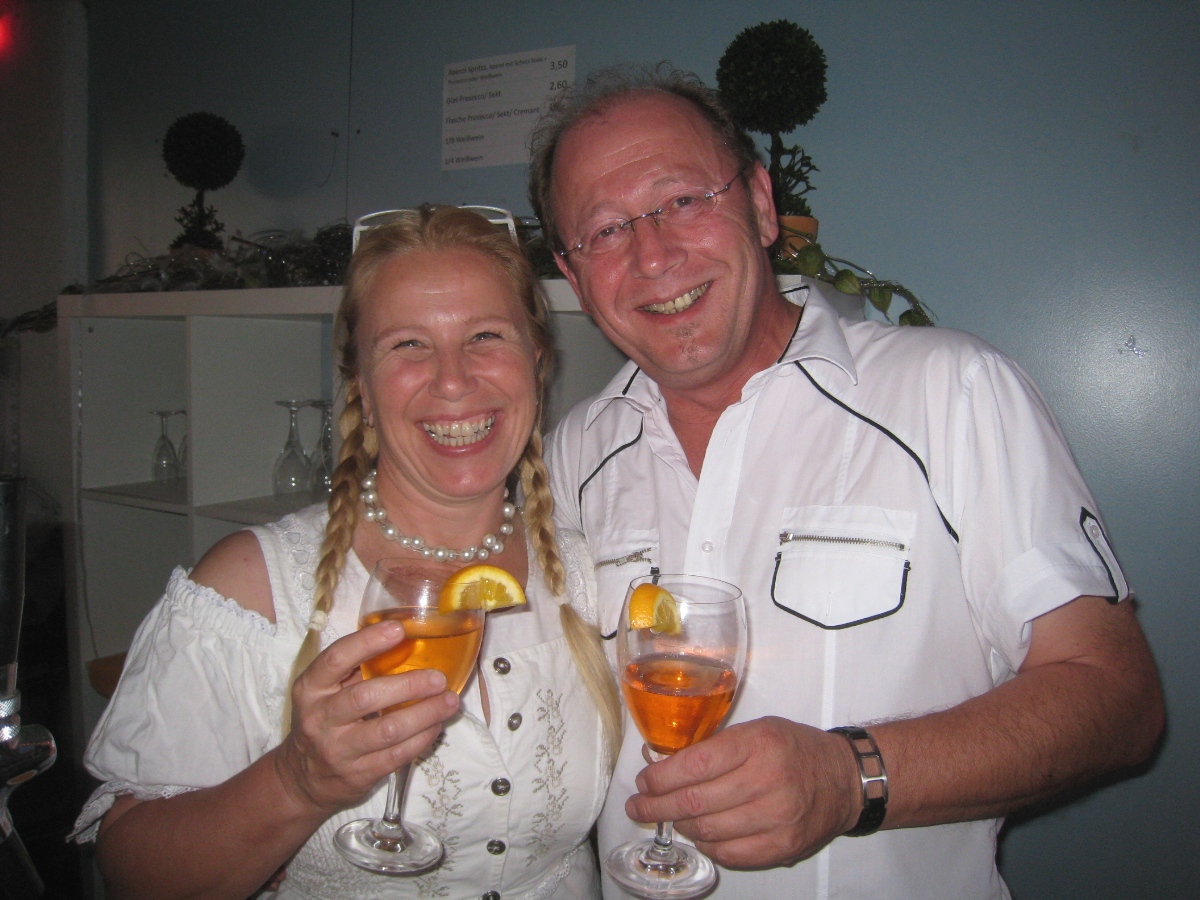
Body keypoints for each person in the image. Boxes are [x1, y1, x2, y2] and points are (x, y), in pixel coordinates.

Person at [530, 65, 1164, 898]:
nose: (653, 256)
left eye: (682, 200)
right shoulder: (570, 456)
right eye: (606, 231)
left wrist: (850, 776)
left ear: (761, 205)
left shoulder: (952, 392)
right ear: (573, 276)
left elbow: (1117, 697)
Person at [71, 206, 621, 899]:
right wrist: (296, 782)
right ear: (359, 379)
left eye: (486, 335)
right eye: (408, 345)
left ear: (537, 360)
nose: (453, 380)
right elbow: (134, 872)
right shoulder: (250, 586)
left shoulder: (590, 574)